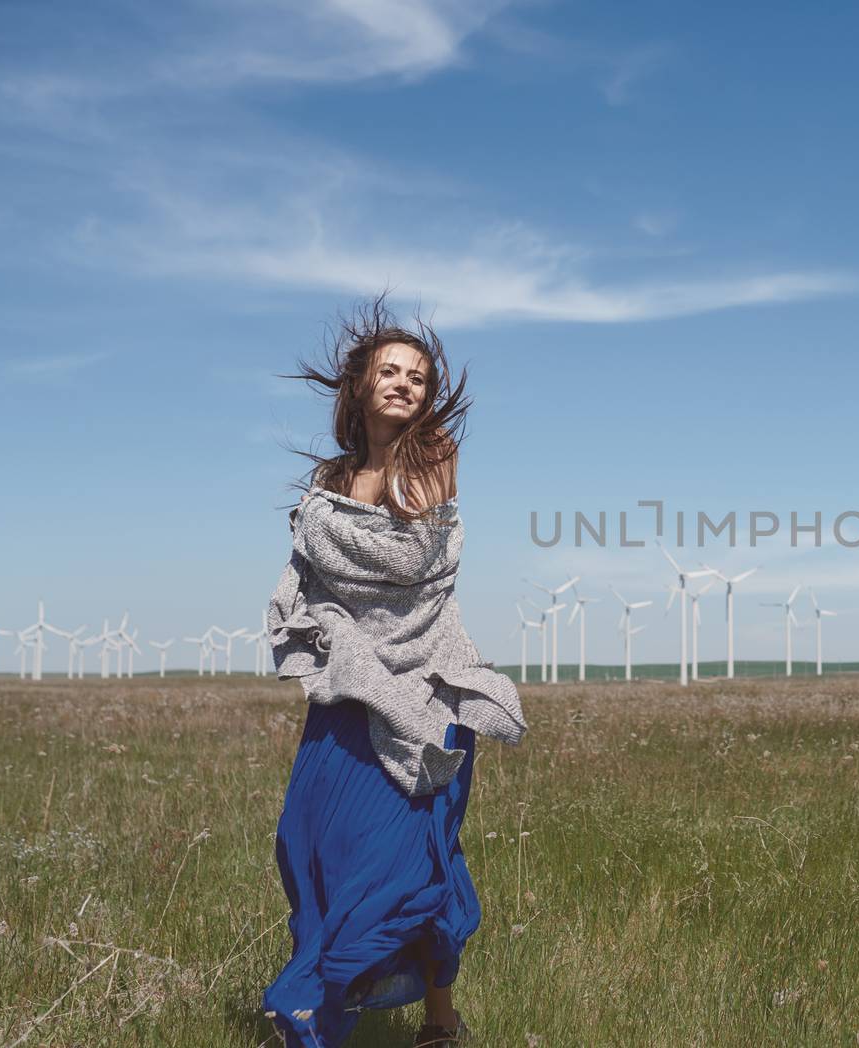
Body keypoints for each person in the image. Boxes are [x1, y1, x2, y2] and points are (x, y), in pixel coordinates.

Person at [261, 293, 526, 1048]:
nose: (405, 382)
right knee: (308, 843)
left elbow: (412, 560)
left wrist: (339, 560)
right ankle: (358, 999)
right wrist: (334, 628)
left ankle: (379, 1016)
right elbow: (312, 582)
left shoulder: (433, 456)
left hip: (423, 695)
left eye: (418, 375)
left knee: (408, 860)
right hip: (348, 695)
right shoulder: (331, 477)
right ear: (361, 384)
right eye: (391, 370)